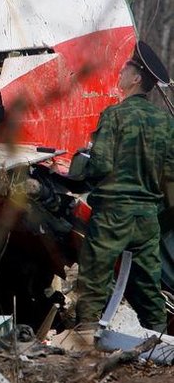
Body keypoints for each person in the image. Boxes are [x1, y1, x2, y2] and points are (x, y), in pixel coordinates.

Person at [74, 40, 174, 332]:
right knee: (148, 290)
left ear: (136, 78)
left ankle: (84, 345)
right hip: (147, 219)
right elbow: (169, 173)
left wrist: (81, 174)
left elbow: (101, 165)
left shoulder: (115, 115)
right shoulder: (166, 124)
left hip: (112, 215)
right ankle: (161, 347)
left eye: (124, 70)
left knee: (93, 282)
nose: (119, 75)